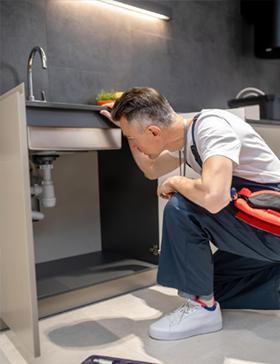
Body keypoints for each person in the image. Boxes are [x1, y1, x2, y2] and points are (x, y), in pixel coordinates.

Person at [100, 87, 280, 341]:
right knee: (209, 283)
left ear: (154, 132)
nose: (133, 144)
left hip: (273, 220)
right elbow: (150, 169)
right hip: (263, 225)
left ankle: (202, 308)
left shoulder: (211, 128)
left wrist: (175, 182)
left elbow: (215, 197)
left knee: (182, 206)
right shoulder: (185, 141)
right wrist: (121, 123)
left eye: (132, 138)